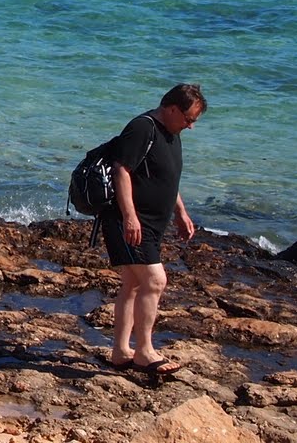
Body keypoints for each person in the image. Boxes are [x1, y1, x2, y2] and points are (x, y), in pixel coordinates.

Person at [102, 82, 206, 377]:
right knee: (156, 280)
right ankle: (144, 352)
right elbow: (121, 170)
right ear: (172, 109)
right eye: (189, 119)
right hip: (131, 222)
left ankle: (121, 352)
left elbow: (166, 179)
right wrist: (130, 216)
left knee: (133, 284)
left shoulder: (171, 134)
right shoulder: (142, 128)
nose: (191, 127)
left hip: (151, 223)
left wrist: (181, 212)